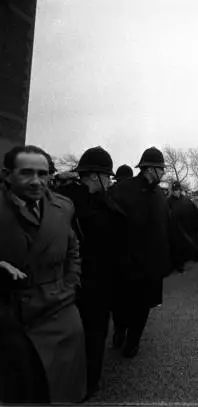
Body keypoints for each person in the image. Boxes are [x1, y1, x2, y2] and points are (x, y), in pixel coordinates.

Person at [0, 145, 87, 402]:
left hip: (59, 313)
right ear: (7, 174)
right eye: (27, 173)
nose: (37, 181)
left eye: (43, 173)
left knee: (61, 392)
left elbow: (74, 248)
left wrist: (71, 284)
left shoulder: (63, 206)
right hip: (9, 319)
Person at [55, 146, 126, 399]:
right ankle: (87, 384)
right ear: (95, 176)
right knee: (94, 336)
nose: (109, 181)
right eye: (107, 176)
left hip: (65, 284)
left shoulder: (62, 200)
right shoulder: (99, 207)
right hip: (95, 283)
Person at [110, 147, 173, 358]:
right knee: (121, 303)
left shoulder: (159, 194)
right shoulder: (122, 190)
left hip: (151, 265)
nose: (163, 173)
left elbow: (168, 226)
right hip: (125, 263)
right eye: (161, 169)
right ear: (149, 169)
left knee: (143, 306)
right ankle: (120, 330)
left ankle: (133, 342)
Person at [167, 181, 198, 272]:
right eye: (175, 190)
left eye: (178, 189)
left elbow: (195, 212)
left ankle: (195, 255)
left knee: (192, 242)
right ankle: (178, 264)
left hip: (189, 227)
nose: (177, 191)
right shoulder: (168, 202)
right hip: (177, 229)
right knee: (177, 247)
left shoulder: (186, 200)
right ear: (172, 191)